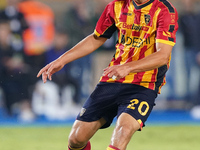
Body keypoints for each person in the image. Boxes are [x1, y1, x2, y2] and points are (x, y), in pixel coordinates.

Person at [37, 0, 178, 150]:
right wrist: (62, 60)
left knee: (123, 130)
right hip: (113, 79)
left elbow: (163, 55)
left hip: (143, 84)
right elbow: (96, 38)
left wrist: (128, 67)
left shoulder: (164, 10)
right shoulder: (116, 6)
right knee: (76, 139)